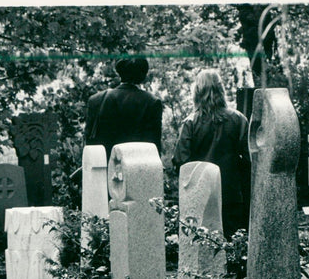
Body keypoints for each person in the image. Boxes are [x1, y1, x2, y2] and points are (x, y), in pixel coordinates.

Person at [172, 69, 252, 239]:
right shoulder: (239, 120)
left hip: (200, 194)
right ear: (220, 89)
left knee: (203, 246)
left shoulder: (190, 123)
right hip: (232, 193)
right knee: (233, 243)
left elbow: (181, 161)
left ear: (197, 91)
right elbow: (249, 160)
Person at [84, 57, 162, 162]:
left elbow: (89, 141)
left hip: (102, 167)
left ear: (120, 73)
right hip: (137, 166)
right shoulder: (152, 102)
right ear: (143, 76)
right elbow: (154, 146)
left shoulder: (96, 100)